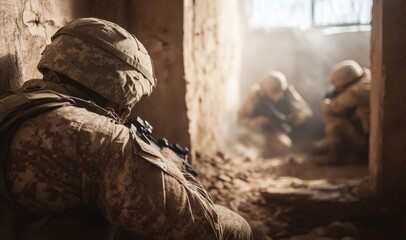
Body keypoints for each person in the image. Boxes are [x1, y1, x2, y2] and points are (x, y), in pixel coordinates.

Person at [0, 18, 252, 240]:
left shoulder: (14, 104)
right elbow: (206, 229)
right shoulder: (103, 140)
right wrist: (173, 166)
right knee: (234, 225)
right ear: (118, 90)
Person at [237, 71, 312, 157]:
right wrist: (255, 122)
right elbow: (240, 119)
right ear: (264, 90)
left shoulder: (288, 92)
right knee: (243, 145)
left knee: (284, 146)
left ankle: (265, 151)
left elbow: (305, 111)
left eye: (279, 92)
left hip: (275, 132)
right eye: (272, 93)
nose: (276, 96)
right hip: (254, 132)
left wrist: (293, 119)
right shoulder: (256, 95)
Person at [313, 60, 371, 164]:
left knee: (334, 122)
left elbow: (331, 108)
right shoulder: (367, 79)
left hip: (369, 144)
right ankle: (330, 146)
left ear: (348, 82)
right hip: (367, 136)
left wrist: (327, 102)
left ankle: (336, 157)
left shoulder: (356, 91)